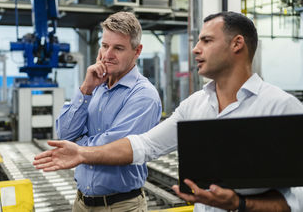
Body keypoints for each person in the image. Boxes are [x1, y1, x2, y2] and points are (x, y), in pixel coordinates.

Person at [34, 11, 303, 212]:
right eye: (105, 46)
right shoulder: (195, 106)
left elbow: (298, 195)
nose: (195, 49)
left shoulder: (281, 107)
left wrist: (240, 203)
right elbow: (144, 145)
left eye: (206, 41)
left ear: (237, 44)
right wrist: (81, 152)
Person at [55, 11, 162, 211]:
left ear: (137, 51)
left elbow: (115, 148)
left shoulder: (144, 96)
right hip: (81, 202)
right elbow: (65, 134)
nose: (107, 55)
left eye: (118, 48)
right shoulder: (95, 85)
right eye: (105, 46)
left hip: (120, 205)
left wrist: (79, 145)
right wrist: (86, 89)